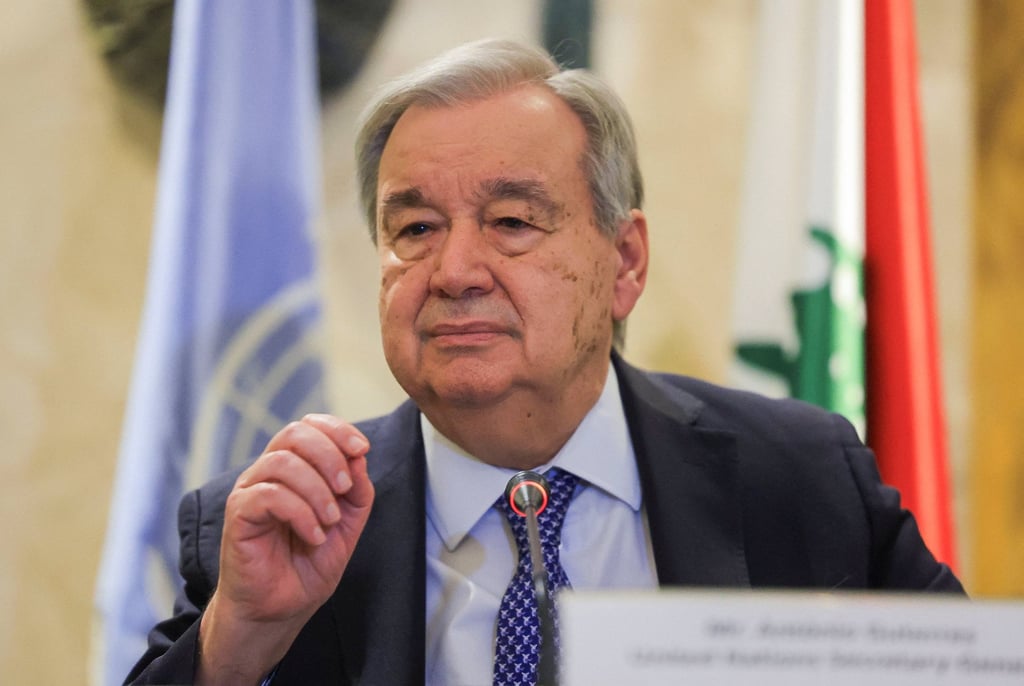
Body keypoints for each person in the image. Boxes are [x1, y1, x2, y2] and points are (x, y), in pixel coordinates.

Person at [126, 38, 963, 685]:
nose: (454, 271)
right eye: (415, 229)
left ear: (624, 262)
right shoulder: (280, 524)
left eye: (512, 222)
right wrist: (237, 641)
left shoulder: (802, 480)